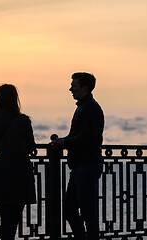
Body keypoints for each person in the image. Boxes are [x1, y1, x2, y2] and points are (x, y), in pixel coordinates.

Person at [0, 84, 36, 240]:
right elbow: (31, 146)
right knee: (14, 219)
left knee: (5, 219)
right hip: (21, 174)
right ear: (15, 100)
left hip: (1, 173)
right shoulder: (23, 121)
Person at [52, 72, 104, 240]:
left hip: (86, 166)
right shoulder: (85, 107)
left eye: (74, 85)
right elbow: (82, 135)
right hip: (81, 166)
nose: (70, 89)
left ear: (85, 88)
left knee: (87, 213)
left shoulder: (90, 108)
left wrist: (64, 142)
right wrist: (65, 141)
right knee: (71, 209)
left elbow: (86, 137)